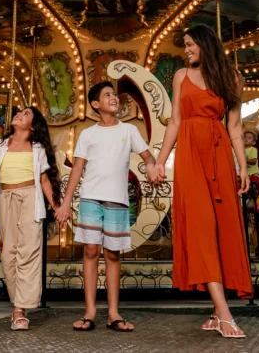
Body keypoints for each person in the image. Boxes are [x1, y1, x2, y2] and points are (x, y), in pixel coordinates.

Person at [149, 24, 253, 339]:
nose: (187, 50)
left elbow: (234, 127)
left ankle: (214, 309)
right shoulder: (181, 76)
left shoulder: (231, 78)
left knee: (221, 228)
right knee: (201, 226)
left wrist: (243, 167)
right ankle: (224, 313)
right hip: (191, 155)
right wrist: (159, 161)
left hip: (220, 155)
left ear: (206, 44)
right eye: (186, 45)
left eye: (191, 44)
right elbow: (175, 122)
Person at [55, 81, 156, 333]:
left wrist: (154, 167)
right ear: (95, 104)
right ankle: (90, 311)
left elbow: (147, 156)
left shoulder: (130, 130)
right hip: (90, 198)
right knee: (90, 251)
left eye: (114, 95)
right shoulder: (88, 134)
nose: (114, 98)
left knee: (112, 254)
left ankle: (113, 312)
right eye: (108, 95)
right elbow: (77, 168)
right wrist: (66, 202)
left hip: (117, 200)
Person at [0, 106, 61, 331]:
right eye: (20, 112)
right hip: (6, 199)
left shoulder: (36, 148)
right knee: (8, 254)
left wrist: (56, 207)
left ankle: (20, 309)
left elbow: (44, 180)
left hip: (30, 198)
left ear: (33, 126)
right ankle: (19, 300)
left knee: (28, 252)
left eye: (26, 114)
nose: (19, 114)